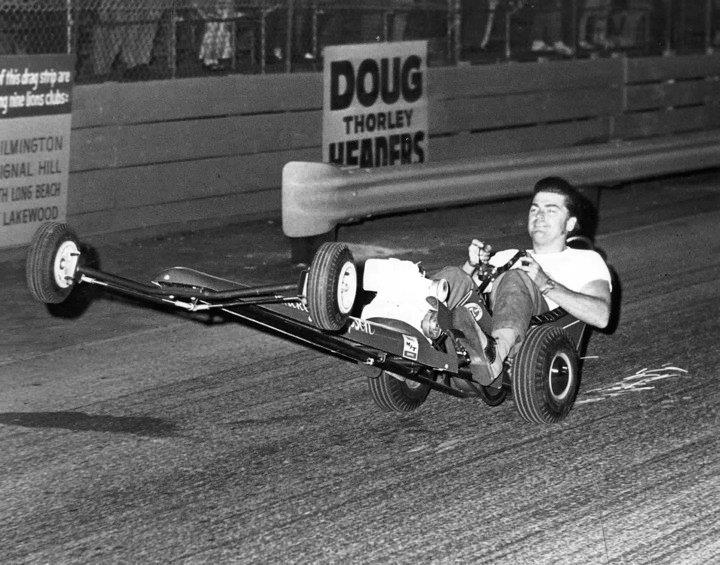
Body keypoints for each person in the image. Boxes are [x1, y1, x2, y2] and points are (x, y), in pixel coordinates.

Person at [432, 177, 612, 387]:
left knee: (515, 278)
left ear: (570, 223)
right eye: (534, 210)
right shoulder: (507, 256)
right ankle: (413, 347)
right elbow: (457, 294)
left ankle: (495, 355)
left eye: (551, 210)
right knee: (453, 275)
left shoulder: (586, 260)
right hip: (475, 345)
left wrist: (545, 283)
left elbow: (601, 316)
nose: (540, 216)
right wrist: (470, 266)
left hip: (526, 353)